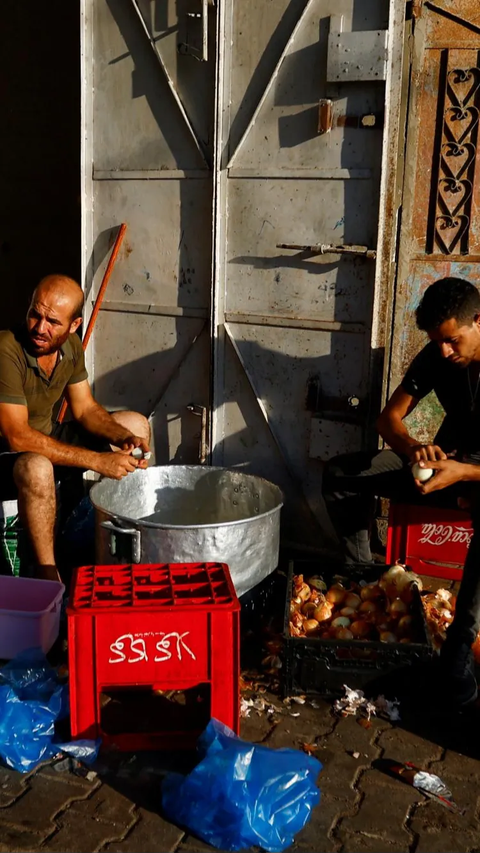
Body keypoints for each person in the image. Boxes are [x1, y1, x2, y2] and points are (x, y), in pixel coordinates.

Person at [322, 277, 480, 708]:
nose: (445, 352)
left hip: (474, 477)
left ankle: (459, 653)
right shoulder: (437, 355)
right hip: (443, 465)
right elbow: (387, 420)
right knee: (341, 475)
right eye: (437, 342)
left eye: (452, 340)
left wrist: (464, 473)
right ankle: (362, 581)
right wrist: (414, 449)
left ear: (478, 321)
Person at [0, 274, 151, 583]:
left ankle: (120, 554)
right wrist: (98, 461)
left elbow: (85, 409)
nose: (40, 328)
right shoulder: (6, 348)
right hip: (8, 455)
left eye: (53, 322)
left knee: (135, 423)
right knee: (37, 466)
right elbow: (16, 435)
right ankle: (48, 576)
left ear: (73, 325)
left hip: (45, 437)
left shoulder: (69, 348)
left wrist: (123, 436)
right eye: (35, 314)